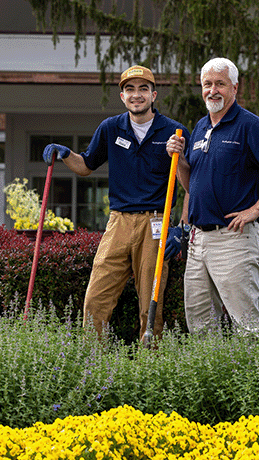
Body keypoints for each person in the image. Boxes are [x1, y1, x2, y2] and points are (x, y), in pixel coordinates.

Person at [42, 65, 190, 340]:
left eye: (143, 89)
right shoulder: (111, 128)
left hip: (155, 223)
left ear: (153, 95)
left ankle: (151, 366)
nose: (137, 95)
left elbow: (192, 184)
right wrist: (64, 154)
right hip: (118, 221)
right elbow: (86, 165)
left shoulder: (174, 132)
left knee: (151, 305)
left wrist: (181, 229)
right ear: (122, 97)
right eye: (130, 90)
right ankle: (93, 364)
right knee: (96, 299)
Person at [165, 57, 259, 339]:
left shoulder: (250, 125)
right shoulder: (201, 127)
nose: (212, 90)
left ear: (235, 88)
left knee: (247, 326)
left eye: (220, 84)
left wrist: (254, 210)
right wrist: (178, 160)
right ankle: (213, 384)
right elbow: (193, 185)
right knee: (201, 327)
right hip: (198, 241)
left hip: (233, 239)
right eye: (207, 84)